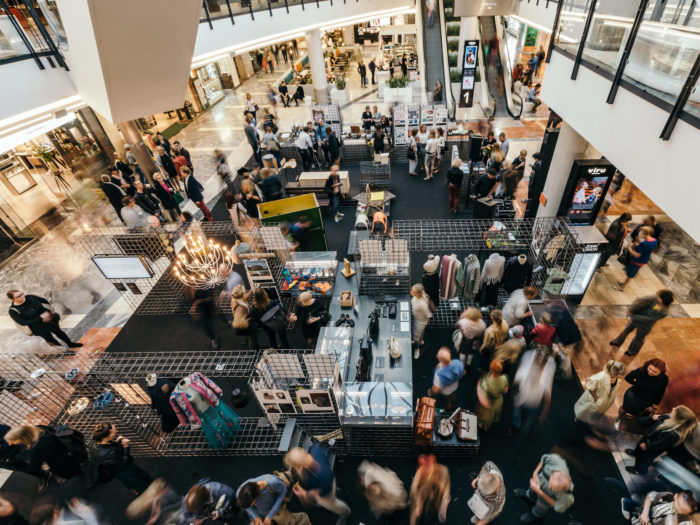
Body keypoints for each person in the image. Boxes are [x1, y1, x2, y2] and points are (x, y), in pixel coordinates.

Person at [4, 425, 86, 493]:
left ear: (22, 438)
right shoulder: (40, 428)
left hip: (66, 465)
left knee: (80, 473)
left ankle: (89, 477)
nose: (9, 443)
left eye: (11, 440)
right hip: (73, 452)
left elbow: (32, 469)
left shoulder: (36, 450)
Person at [285, 445, 351, 524]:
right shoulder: (316, 449)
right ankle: (336, 491)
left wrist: (305, 493)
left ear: (300, 466)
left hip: (327, 492)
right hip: (329, 480)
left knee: (333, 504)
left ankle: (345, 513)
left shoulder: (321, 477)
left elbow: (324, 491)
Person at [625, 405, 697, 475]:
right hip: (648, 438)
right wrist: (653, 418)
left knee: (644, 459)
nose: (673, 408)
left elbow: (660, 444)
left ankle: (639, 470)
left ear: (677, 417)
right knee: (639, 449)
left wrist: (648, 446)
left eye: (675, 409)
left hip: (652, 447)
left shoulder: (674, 435)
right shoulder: (668, 417)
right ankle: (635, 453)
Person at [91, 423, 152, 495]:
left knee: (132, 482)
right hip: (125, 471)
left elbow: (111, 452)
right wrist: (126, 447)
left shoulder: (95, 446)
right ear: (107, 436)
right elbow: (123, 462)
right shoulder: (110, 452)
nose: (116, 431)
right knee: (143, 483)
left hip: (116, 472)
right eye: (114, 431)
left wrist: (117, 442)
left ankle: (137, 491)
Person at [7, 291, 82, 349]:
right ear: (12, 299)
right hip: (37, 327)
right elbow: (23, 322)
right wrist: (40, 317)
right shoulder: (13, 310)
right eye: (18, 296)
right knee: (50, 339)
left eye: (21, 294)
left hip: (49, 320)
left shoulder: (30, 297)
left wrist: (50, 309)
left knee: (59, 332)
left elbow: (43, 300)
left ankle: (70, 344)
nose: (22, 296)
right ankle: (64, 351)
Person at [508, 347, 556, 437]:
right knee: (517, 413)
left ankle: (524, 431)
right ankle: (516, 426)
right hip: (522, 395)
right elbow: (519, 373)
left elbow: (548, 393)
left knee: (528, 418)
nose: (540, 359)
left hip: (533, 401)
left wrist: (545, 411)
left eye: (542, 357)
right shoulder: (529, 357)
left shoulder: (549, 366)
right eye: (539, 356)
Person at [610, 289, 674, 356]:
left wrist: (633, 316)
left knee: (639, 338)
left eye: (659, 297)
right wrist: (631, 309)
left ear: (663, 300)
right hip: (637, 317)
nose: (657, 297)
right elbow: (640, 300)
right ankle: (617, 342)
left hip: (645, 325)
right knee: (626, 330)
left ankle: (632, 351)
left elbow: (649, 319)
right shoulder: (655, 298)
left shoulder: (664, 312)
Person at [514, 453, 574, 523]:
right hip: (537, 483)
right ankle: (529, 496)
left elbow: (557, 505)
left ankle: (535, 514)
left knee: (541, 507)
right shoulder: (556, 462)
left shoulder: (566, 496)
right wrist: (535, 474)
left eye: (553, 488)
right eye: (550, 483)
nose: (549, 486)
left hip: (545, 499)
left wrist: (539, 492)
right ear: (554, 473)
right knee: (531, 491)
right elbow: (544, 459)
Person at [237, 472, 310, 525]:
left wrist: (269, 516)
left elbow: (283, 492)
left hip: (275, 509)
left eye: (252, 504)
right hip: (261, 512)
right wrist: (256, 516)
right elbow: (247, 507)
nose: (251, 506)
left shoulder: (273, 482)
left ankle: (304, 519)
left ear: (256, 497)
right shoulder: (240, 493)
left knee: (288, 521)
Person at [616, 358, 669, 430]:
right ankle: (619, 418)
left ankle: (626, 421)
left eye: (655, 372)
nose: (650, 372)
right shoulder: (641, 371)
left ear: (661, 372)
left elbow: (660, 392)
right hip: (633, 396)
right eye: (649, 369)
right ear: (647, 366)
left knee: (636, 413)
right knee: (624, 409)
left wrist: (655, 405)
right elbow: (628, 377)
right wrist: (637, 385)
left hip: (647, 401)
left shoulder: (664, 379)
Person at [574, 360, 626, 425]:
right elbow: (590, 388)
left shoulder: (617, 379)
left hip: (605, 400)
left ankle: (588, 420)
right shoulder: (601, 377)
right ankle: (578, 417)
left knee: (595, 413)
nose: (622, 377)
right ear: (615, 373)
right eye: (620, 375)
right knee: (585, 410)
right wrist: (597, 399)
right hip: (594, 398)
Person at [409, 454, 450, 525]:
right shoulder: (421, 472)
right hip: (422, 490)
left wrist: (444, 502)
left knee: (440, 500)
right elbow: (414, 488)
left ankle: (438, 509)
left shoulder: (443, 470)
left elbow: (446, 488)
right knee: (416, 509)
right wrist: (419, 505)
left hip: (437, 490)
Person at [615, 226, 658, 290]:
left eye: (641, 233)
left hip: (638, 261)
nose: (640, 235)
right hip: (645, 259)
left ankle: (622, 287)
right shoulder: (654, 240)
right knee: (630, 272)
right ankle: (623, 283)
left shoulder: (645, 243)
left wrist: (630, 248)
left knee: (630, 274)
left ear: (645, 234)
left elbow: (637, 255)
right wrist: (638, 245)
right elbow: (648, 249)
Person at [620, 489, 697, 524]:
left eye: (682, 510)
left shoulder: (685, 521)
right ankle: (627, 503)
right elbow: (651, 495)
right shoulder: (667, 495)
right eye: (678, 504)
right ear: (675, 496)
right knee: (637, 506)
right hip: (641, 515)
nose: (678, 508)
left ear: (688, 512)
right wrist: (645, 513)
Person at [476, 360, 508, 431]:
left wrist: (478, 385)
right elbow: (505, 391)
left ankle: (485, 427)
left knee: (488, 418)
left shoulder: (487, 382)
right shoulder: (504, 378)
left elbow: (481, 393)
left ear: (491, 369)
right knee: (495, 414)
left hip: (490, 401)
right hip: (499, 400)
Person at [410, 284, 432, 358]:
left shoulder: (422, 304)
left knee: (416, 336)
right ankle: (420, 341)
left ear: (418, 293)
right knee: (419, 334)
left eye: (413, 291)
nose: (411, 292)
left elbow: (428, 314)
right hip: (417, 319)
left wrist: (424, 323)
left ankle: (417, 349)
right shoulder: (416, 297)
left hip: (420, 322)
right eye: (412, 290)